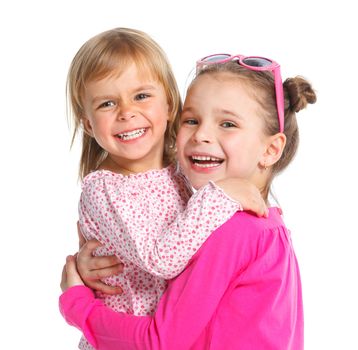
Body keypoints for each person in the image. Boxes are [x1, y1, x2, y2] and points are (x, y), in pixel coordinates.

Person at [60, 53, 316, 349]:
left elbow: (159, 340)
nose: (201, 135)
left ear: (271, 150)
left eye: (228, 124)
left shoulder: (232, 231)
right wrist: (95, 261)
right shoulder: (266, 225)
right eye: (191, 120)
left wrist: (78, 304)